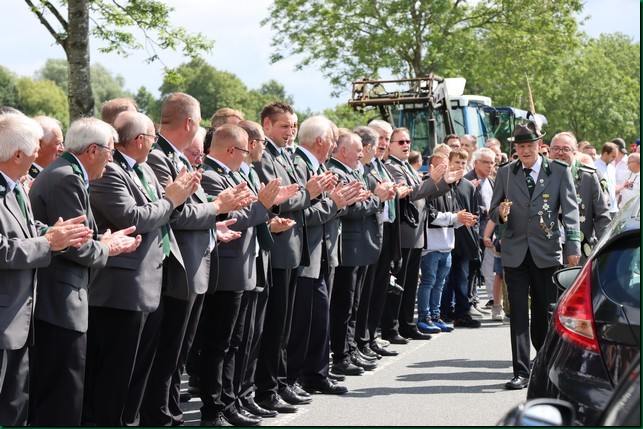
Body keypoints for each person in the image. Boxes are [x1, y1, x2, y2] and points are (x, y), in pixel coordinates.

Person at [141, 93, 252, 426]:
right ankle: (161, 416)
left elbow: (188, 210)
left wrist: (214, 223)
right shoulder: (159, 158)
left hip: (193, 264)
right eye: (200, 120)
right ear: (189, 122)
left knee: (178, 352)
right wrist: (218, 207)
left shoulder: (178, 159)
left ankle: (170, 413)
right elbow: (175, 213)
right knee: (168, 352)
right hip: (178, 266)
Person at [83, 111, 199, 425]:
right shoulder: (110, 170)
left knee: (138, 372)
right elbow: (132, 218)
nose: (154, 143)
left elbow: (159, 212)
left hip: (151, 281)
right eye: (152, 138)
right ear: (139, 140)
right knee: (116, 374)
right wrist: (171, 200)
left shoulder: (143, 168)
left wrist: (177, 199)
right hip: (122, 289)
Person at [28, 117, 142, 426]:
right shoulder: (67, 177)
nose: (112, 159)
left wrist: (102, 241)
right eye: (110, 151)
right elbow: (73, 245)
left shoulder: (66, 173)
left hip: (60, 298)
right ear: (93, 150)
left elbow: (77, 237)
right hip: (58, 302)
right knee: (61, 397)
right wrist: (108, 248)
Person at [0, 113, 92, 426]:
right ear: (17, 155)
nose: (39, 155)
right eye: (34, 149)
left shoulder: (15, 188)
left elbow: (26, 230)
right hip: (5, 320)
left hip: (20, 320)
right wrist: (47, 243)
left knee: (16, 407)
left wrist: (55, 233)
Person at [198, 124, 288, 427]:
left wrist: (268, 206)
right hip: (227, 270)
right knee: (219, 344)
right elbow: (231, 219)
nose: (247, 155)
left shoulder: (233, 174)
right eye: (243, 150)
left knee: (236, 342)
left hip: (244, 267)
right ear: (230, 150)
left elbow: (248, 214)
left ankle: (231, 401)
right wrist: (263, 205)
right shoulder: (210, 176)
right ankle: (214, 409)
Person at [252, 101, 332, 413]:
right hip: (277, 248)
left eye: (294, 126)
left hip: (293, 248)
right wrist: (308, 193)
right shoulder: (265, 157)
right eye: (284, 126)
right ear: (267, 125)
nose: (290, 132)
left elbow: (297, 198)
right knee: (274, 327)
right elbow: (278, 201)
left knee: (284, 326)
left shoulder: (287, 155)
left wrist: (308, 194)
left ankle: (282, 382)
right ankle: (268, 389)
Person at [489, 121, 581, 390]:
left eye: (529, 145)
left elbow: (570, 212)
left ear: (540, 146)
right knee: (518, 312)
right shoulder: (506, 172)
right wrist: (500, 214)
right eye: (520, 146)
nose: (525, 151)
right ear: (515, 149)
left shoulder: (559, 171)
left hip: (546, 250)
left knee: (543, 311)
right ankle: (520, 370)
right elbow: (493, 210)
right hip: (515, 251)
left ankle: (543, 363)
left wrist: (573, 247)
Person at [289, 116, 355, 394]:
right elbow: (301, 214)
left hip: (322, 252)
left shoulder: (319, 167)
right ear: (320, 140)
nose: (334, 145)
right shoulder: (299, 166)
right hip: (306, 254)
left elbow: (329, 207)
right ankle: (296, 378)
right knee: (304, 323)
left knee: (319, 320)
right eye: (332, 140)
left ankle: (316, 374)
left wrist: (340, 201)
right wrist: (333, 204)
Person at [381, 127, 460, 344]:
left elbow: (424, 194)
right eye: (400, 142)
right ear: (390, 146)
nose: (406, 145)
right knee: (399, 284)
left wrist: (444, 183)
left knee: (409, 285)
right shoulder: (392, 167)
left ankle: (407, 324)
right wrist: (432, 180)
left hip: (416, 234)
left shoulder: (405, 166)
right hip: (404, 233)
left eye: (408, 141)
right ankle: (392, 327)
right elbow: (412, 193)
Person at [327, 130, 394, 374]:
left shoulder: (353, 171)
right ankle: (342, 355)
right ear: (344, 151)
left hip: (361, 245)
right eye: (357, 150)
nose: (361, 154)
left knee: (354, 304)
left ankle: (351, 349)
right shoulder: (337, 172)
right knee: (345, 305)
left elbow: (359, 204)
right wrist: (376, 198)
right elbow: (350, 209)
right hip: (350, 246)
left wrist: (370, 199)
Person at [417, 153, 468, 334]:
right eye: (438, 167)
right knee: (428, 282)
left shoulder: (449, 188)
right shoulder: (426, 187)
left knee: (440, 283)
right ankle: (424, 317)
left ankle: (435, 315)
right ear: (430, 168)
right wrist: (455, 217)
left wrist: (463, 219)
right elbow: (430, 217)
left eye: (445, 166)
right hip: (431, 246)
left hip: (447, 245)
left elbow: (455, 215)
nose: (443, 170)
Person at [549, 132, 611, 264]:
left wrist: (606, 248)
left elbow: (602, 217)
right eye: (556, 148)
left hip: (580, 250)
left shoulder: (588, 177)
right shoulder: (540, 175)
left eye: (566, 149)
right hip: (546, 252)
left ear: (575, 151)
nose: (560, 153)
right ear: (550, 150)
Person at [442, 150, 482, 325]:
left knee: (462, 277)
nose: (459, 166)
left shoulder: (468, 186)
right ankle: (442, 311)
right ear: (449, 162)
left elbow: (475, 212)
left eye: (463, 163)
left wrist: (474, 230)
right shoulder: (443, 183)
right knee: (445, 278)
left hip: (464, 239)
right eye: (456, 162)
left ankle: (462, 313)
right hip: (445, 237)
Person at [465, 148, 497, 311]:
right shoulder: (467, 180)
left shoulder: (491, 181)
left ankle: (475, 300)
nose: (490, 166)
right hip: (473, 232)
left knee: (483, 268)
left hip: (489, 232)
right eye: (486, 162)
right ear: (476, 163)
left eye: (492, 163)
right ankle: (468, 302)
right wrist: (486, 210)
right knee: (471, 268)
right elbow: (464, 204)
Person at [28, 115, 64, 180]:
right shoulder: (24, 178)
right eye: (58, 143)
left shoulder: (55, 176)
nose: (62, 149)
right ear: (38, 144)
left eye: (62, 143)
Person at [594, 142, 619, 217]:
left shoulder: (612, 168)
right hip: (602, 209)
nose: (614, 159)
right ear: (605, 154)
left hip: (614, 209)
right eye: (613, 156)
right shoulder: (594, 167)